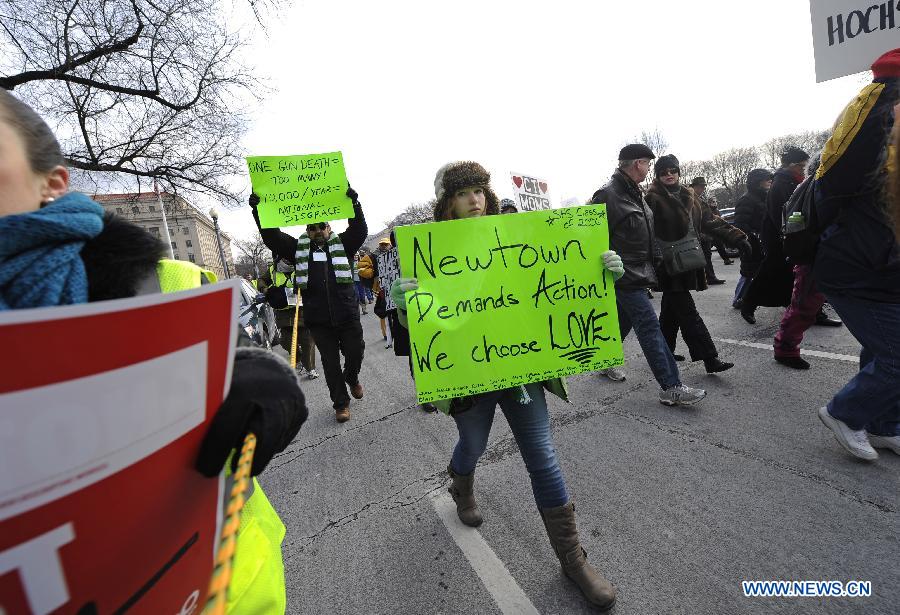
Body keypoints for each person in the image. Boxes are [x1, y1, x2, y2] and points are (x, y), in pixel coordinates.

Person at [0, 89, 307, 613]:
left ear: (50, 183)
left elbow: (251, 370)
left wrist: (265, 388)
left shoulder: (164, 281)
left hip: (223, 589)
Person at [391, 161, 618, 611]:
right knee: (472, 445)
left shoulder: (519, 236)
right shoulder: (428, 252)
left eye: (479, 190)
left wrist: (603, 270)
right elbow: (416, 325)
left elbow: (559, 280)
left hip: (522, 369)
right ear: (446, 204)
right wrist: (400, 304)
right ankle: (463, 484)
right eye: (463, 193)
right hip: (469, 375)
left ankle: (573, 560)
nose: (475, 199)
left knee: (543, 456)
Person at [815, 49, 900, 461]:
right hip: (858, 267)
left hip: (879, 268)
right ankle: (845, 413)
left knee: (882, 347)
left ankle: (884, 423)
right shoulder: (878, 131)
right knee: (896, 354)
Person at [590, 144, 707, 406]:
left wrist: (656, 260)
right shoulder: (608, 195)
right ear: (636, 164)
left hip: (639, 272)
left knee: (624, 321)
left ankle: (604, 362)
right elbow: (591, 238)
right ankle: (671, 386)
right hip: (623, 274)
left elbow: (646, 229)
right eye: (647, 164)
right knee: (649, 326)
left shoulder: (634, 193)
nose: (648, 170)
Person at [250, 191, 368, 423]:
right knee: (330, 362)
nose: (317, 232)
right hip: (318, 319)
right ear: (307, 232)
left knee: (356, 352)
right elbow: (272, 238)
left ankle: (352, 377)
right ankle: (341, 404)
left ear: (329, 228)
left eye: (321, 227)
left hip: (347, 315)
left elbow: (359, 230)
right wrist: (258, 210)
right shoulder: (298, 251)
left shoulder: (344, 245)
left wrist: (354, 202)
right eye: (312, 228)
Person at [645, 155, 750, 373]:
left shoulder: (689, 195)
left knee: (671, 312)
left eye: (672, 170)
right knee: (688, 313)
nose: (669, 175)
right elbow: (644, 233)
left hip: (688, 261)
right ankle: (710, 359)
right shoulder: (651, 199)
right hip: (667, 266)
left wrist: (738, 238)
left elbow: (710, 221)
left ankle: (665, 350)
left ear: (679, 172)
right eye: (663, 172)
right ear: (657, 175)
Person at [257, 254, 319, 378]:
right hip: (283, 312)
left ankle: (310, 369)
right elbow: (261, 281)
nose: (288, 259)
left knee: (307, 340)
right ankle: (298, 357)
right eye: (285, 257)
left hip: (302, 309)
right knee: (286, 341)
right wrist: (265, 289)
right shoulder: (273, 270)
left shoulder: (301, 266)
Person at [731, 168, 774, 308]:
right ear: (758, 182)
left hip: (763, 241)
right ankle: (738, 299)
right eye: (767, 179)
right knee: (748, 274)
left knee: (758, 272)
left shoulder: (765, 197)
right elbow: (740, 224)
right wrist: (752, 238)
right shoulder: (746, 199)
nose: (770, 181)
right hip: (752, 243)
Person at [689, 177, 727, 282]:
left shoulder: (699, 199)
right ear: (694, 187)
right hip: (699, 234)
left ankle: (709, 277)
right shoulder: (690, 199)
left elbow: (707, 217)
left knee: (706, 257)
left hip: (704, 234)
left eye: (703, 187)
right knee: (703, 257)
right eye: (701, 187)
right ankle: (706, 277)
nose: (702, 189)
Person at [372, 237, 393, 347]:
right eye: (382, 244)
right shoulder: (373, 257)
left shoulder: (395, 254)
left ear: (390, 245)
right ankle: (385, 334)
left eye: (386, 244)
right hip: (381, 288)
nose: (384, 246)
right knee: (383, 312)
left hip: (393, 286)